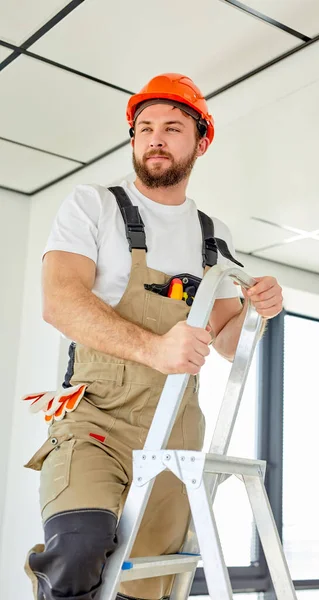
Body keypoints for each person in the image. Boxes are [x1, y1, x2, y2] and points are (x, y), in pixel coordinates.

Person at [23, 73, 283, 600]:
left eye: (172, 127)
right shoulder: (93, 205)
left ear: (201, 141)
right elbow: (61, 301)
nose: (155, 138)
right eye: (144, 128)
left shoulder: (215, 236)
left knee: (148, 586)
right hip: (96, 415)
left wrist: (261, 310)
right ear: (133, 139)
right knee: (77, 547)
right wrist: (155, 348)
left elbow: (229, 342)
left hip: (175, 431)